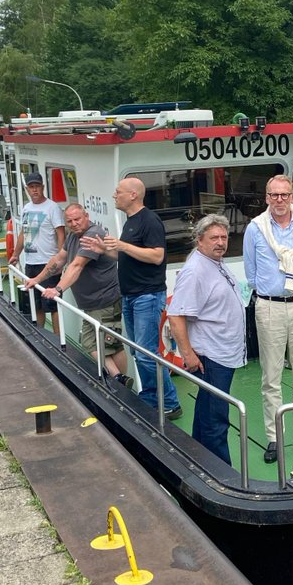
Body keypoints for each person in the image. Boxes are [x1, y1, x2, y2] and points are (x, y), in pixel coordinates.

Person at [81, 177, 182, 420]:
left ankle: (170, 403)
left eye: (118, 192)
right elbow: (129, 257)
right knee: (138, 352)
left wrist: (123, 247)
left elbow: (157, 256)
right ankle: (149, 397)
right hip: (131, 296)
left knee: (147, 352)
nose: (115, 195)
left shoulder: (149, 221)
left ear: (133, 195)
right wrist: (105, 250)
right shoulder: (131, 222)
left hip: (147, 296)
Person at [243, 174, 293, 463]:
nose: (280, 200)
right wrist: (271, 291)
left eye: (285, 195)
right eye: (274, 195)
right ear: (266, 198)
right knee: (271, 377)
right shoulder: (255, 229)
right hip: (269, 307)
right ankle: (274, 438)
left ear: (292, 197)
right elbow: (250, 270)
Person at [167, 215, 246, 465]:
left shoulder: (215, 263)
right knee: (216, 419)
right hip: (212, 356)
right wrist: (187, 354)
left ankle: (197, 462)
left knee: (205, 414)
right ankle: (223, 475)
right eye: (214, 238)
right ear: (199, 240)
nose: (220, 242)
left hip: (224, 352)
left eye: (223, 237)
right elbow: (176, 315)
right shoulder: (195, 271)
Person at [26, 202, 131, 387]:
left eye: (77, 219)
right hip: (91, 302)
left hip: (104, 301)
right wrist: (37, 279)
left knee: (100, 344)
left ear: (86, 216)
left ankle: (119, 381)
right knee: (107, 346)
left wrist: (58, 289)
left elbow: (77, 265)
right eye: (69, 221)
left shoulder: (92, 234)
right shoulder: (73, 236)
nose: (74, 224)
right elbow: (59, 260)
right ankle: (121, 381)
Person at [10, 173, 65, 329]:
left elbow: (60, 233)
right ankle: (39, 335)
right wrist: (15, 254)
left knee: (53, 305)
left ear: (43, 187)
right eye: (31, 187)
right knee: (36, 305)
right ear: (27, 189)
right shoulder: (26, 208)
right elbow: (23, 232)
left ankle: (58, 341)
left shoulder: (52, 207)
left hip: (48, 262)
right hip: (30, 263)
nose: (34, 190)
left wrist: (60, 258)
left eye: (37, 186)